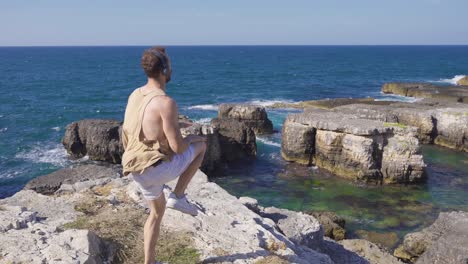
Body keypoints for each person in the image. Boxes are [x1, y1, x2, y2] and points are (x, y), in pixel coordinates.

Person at [121, 46, 207, 264]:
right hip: (156, 168)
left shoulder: (135, 94)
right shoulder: (166, 102)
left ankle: (149, 262)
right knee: (202, 145)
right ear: (165, 70)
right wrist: (191, 138)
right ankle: (178, 197)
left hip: (135, 168)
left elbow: (139, 126)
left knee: (156, 214)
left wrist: (177, 124)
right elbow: (178, 148)